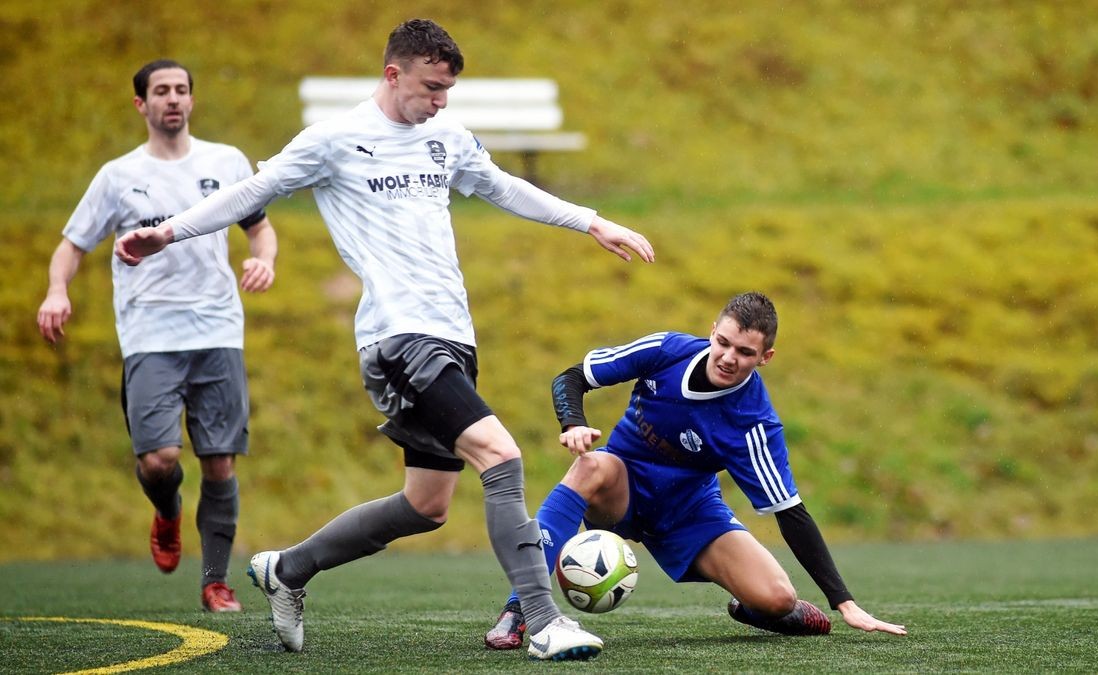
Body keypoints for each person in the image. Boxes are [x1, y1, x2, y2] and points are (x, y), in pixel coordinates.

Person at [113, 19, 653, 661]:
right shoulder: (335, 140)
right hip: (397, 337)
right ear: (393, 74)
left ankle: (288, 570)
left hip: (453, 333)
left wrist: (590, 220)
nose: (441, 101)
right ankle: (542, 623)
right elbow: (253, 191)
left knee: (426, 506)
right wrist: (168, 232)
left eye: (448, 89)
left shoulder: (446, 137)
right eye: (431, 87)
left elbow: (503, 187)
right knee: (501, 457)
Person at [484, 292, 906, 650]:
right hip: (622, 488)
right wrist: (573, 423)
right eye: (723, 342)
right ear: (713, 331)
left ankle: (750, 604)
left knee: (777, 599)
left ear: (766, 357)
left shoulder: (754, 423)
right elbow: (572, 377)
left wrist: (844, 602)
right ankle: (520, 608)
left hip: (688, 513)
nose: (728, 357)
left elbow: (790, 512)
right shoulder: (667, 351)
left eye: (745, 353)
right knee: (590, 466)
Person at [37, 60, 278, 612]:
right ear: (141, 105)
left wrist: (262, 260)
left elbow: (260, 228)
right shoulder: (117, 176)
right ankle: (167, 511)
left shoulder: (226, 162)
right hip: (149, 334)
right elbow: (72, 245)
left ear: (192, 100)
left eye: (182, 90)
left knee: (219, 461)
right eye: (161, 91)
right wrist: (56, 290)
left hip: (218, 329)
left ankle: (215, 582)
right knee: (158, 460)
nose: (173, 99)